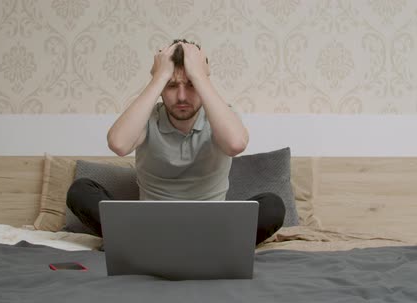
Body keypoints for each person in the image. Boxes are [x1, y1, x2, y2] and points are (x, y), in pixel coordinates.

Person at [67, 39, 285, 245]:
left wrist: (200, 76)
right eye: (171, 86)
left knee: (273, 206)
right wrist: (158, 78)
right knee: (80, 191)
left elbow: (235, 144)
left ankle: (155, 247)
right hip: (150, 227)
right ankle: (171, 246)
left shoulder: (219, 117)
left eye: (191, 85)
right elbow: (118, 144)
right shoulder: (148, 117)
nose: (182, 97)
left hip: (210, 227)